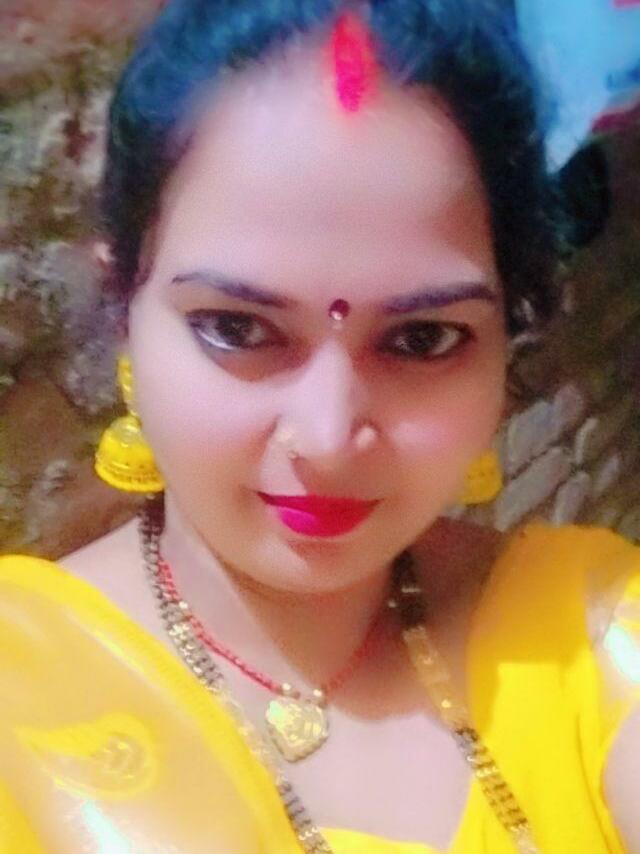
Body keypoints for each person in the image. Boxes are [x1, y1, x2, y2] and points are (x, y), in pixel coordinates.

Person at [0, 1, 638, 851]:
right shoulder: (19, 689)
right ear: (124, 310)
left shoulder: (589, 637)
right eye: (238, 328)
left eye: (422, 339)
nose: (329, 439)